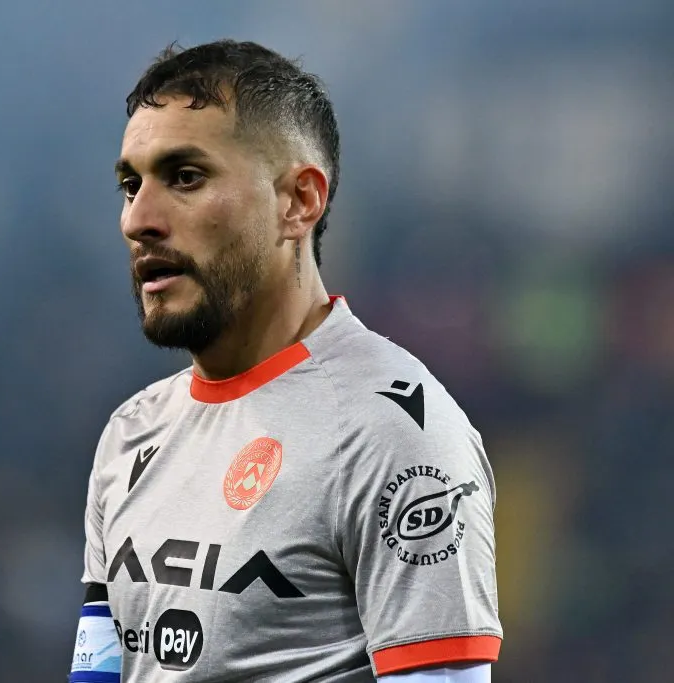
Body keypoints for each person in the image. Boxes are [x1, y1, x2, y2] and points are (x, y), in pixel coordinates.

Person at [69, 39, 502, 683]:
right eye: (131, 184)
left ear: (299, 201)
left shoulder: (395, 434)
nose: (139, 219)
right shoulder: (133, 430)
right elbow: (99, 674)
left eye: (185, 177)